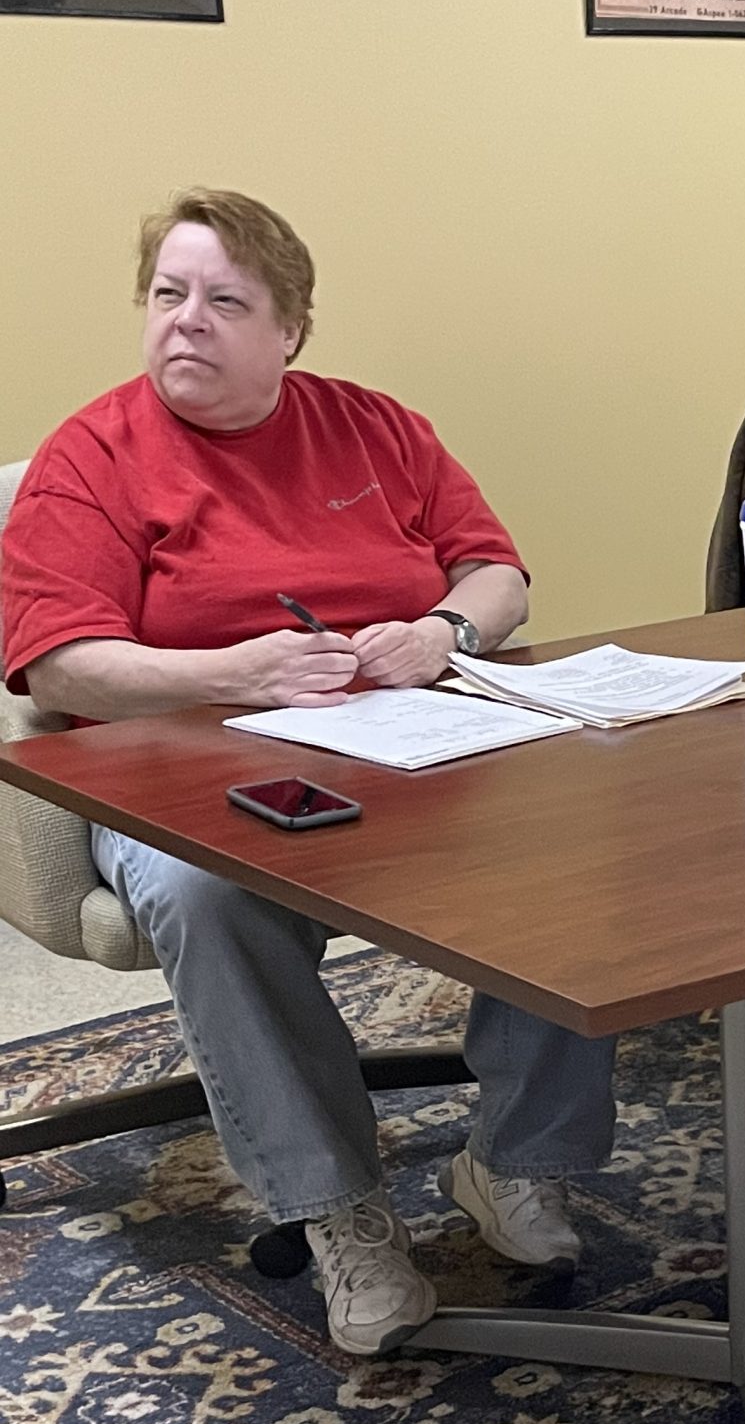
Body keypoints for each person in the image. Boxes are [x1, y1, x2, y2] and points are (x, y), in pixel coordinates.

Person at [0, 189, 617, 1357]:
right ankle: (337, 1206)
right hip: (175, 771)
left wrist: (445, 632)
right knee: (203, 895)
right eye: (169, 295)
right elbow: (57, 662)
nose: (187, 322)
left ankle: (514, 1164)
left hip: (397, 743)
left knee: (575, 820)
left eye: (225, 302)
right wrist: (224, 672)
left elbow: (495, 570)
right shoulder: (93, 454)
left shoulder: (374, 427)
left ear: (290, 331)